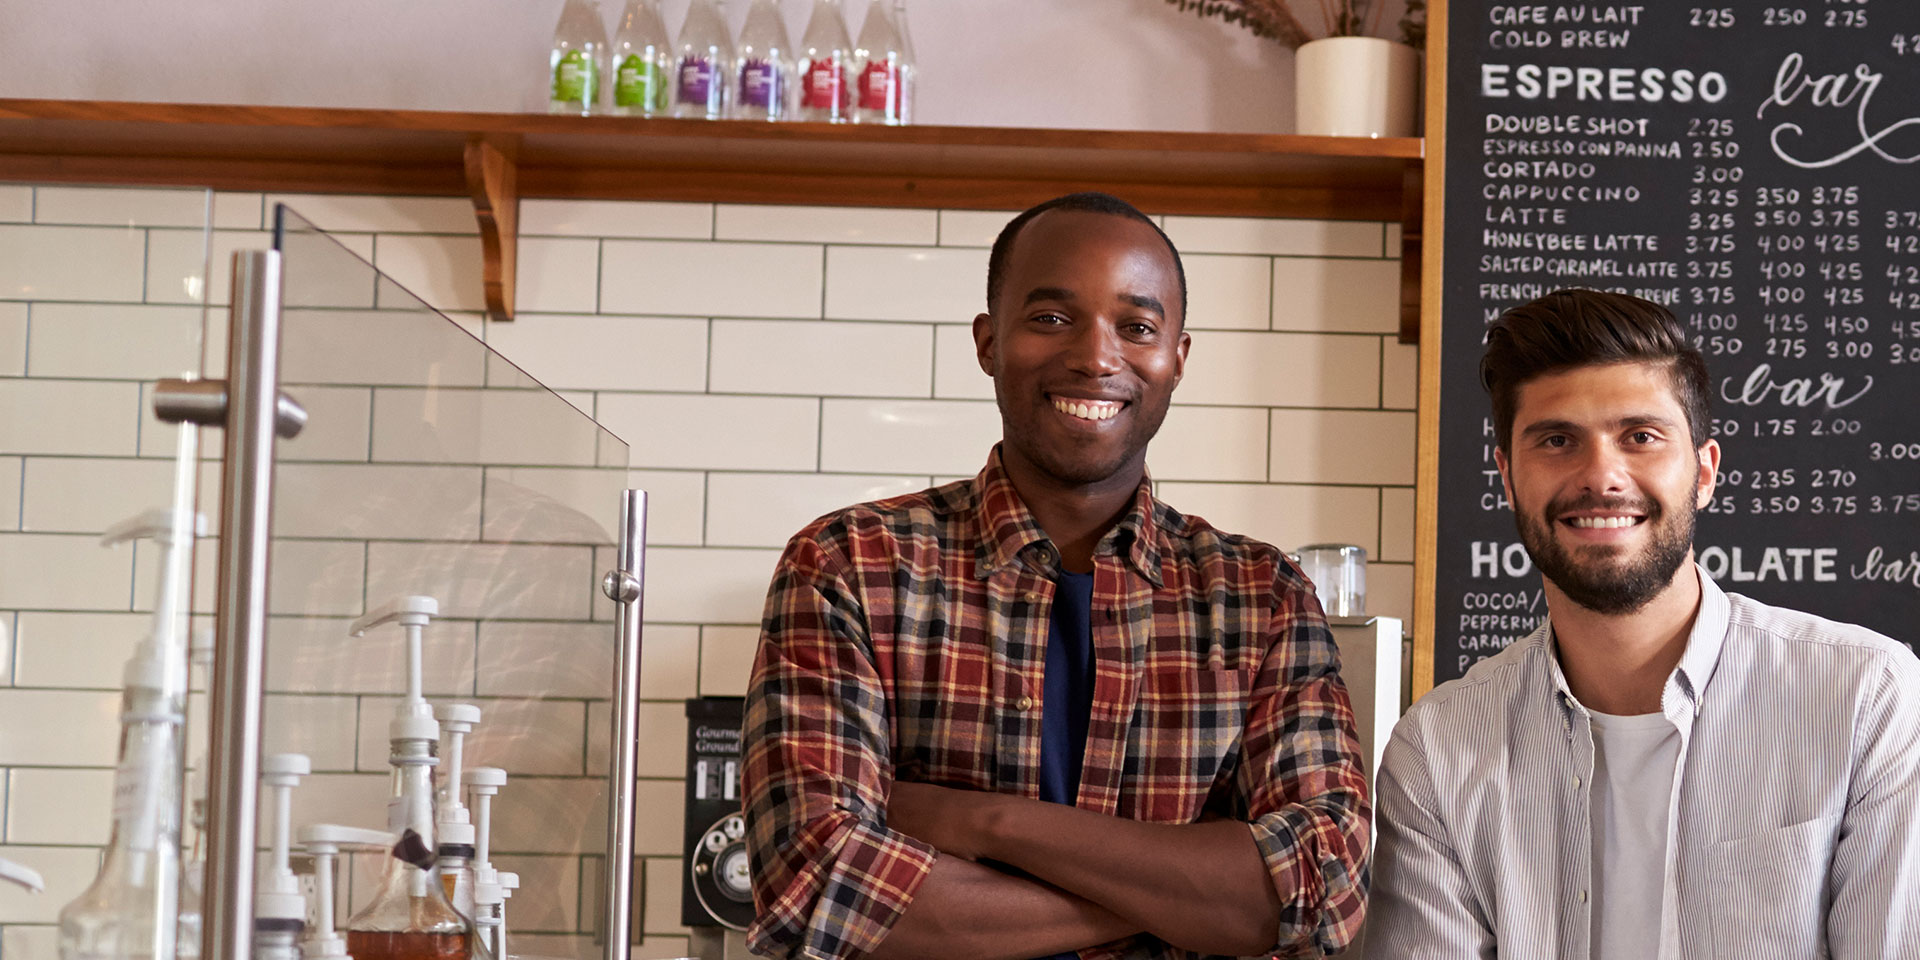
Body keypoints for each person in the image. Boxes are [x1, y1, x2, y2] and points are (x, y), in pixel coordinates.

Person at [739, 192, 1371, 960]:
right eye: (1050, 318)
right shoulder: (850, 565)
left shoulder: (1262, 597)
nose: (1096, 356)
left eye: (1136, 328)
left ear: (1178, 358)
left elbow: (1323, 889)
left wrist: (981, 823)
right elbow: (816, 886)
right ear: (987, 342)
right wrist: (1192, 888)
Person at [1367, 289, 1920, 958]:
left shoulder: (1868, 699)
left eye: (1641, 436)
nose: (1601, 474)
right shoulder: (1438, 751)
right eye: (1557, 439)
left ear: (1705, 472)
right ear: (1509, 480)